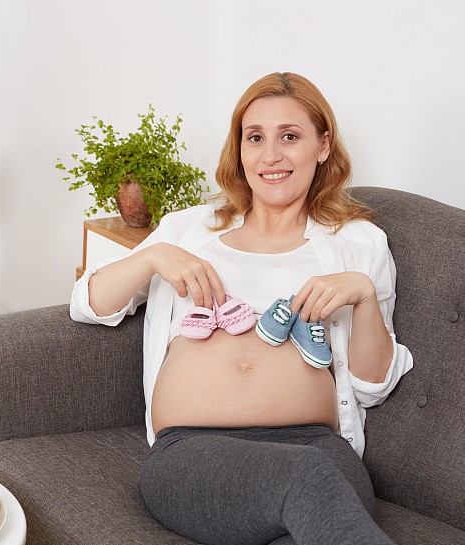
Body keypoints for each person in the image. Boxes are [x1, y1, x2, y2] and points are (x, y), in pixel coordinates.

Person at [69, 72, 413, 545]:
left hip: (318, 445)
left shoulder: (359, 244)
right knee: (305, 479)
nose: (270, 155)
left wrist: (364, 296)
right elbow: (88, 304)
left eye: (289, 136)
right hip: (193, 451)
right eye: (255, 138)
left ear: (323, 145)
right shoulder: (191, 229)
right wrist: (151, 256)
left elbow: (373, 387)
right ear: (240, 149)